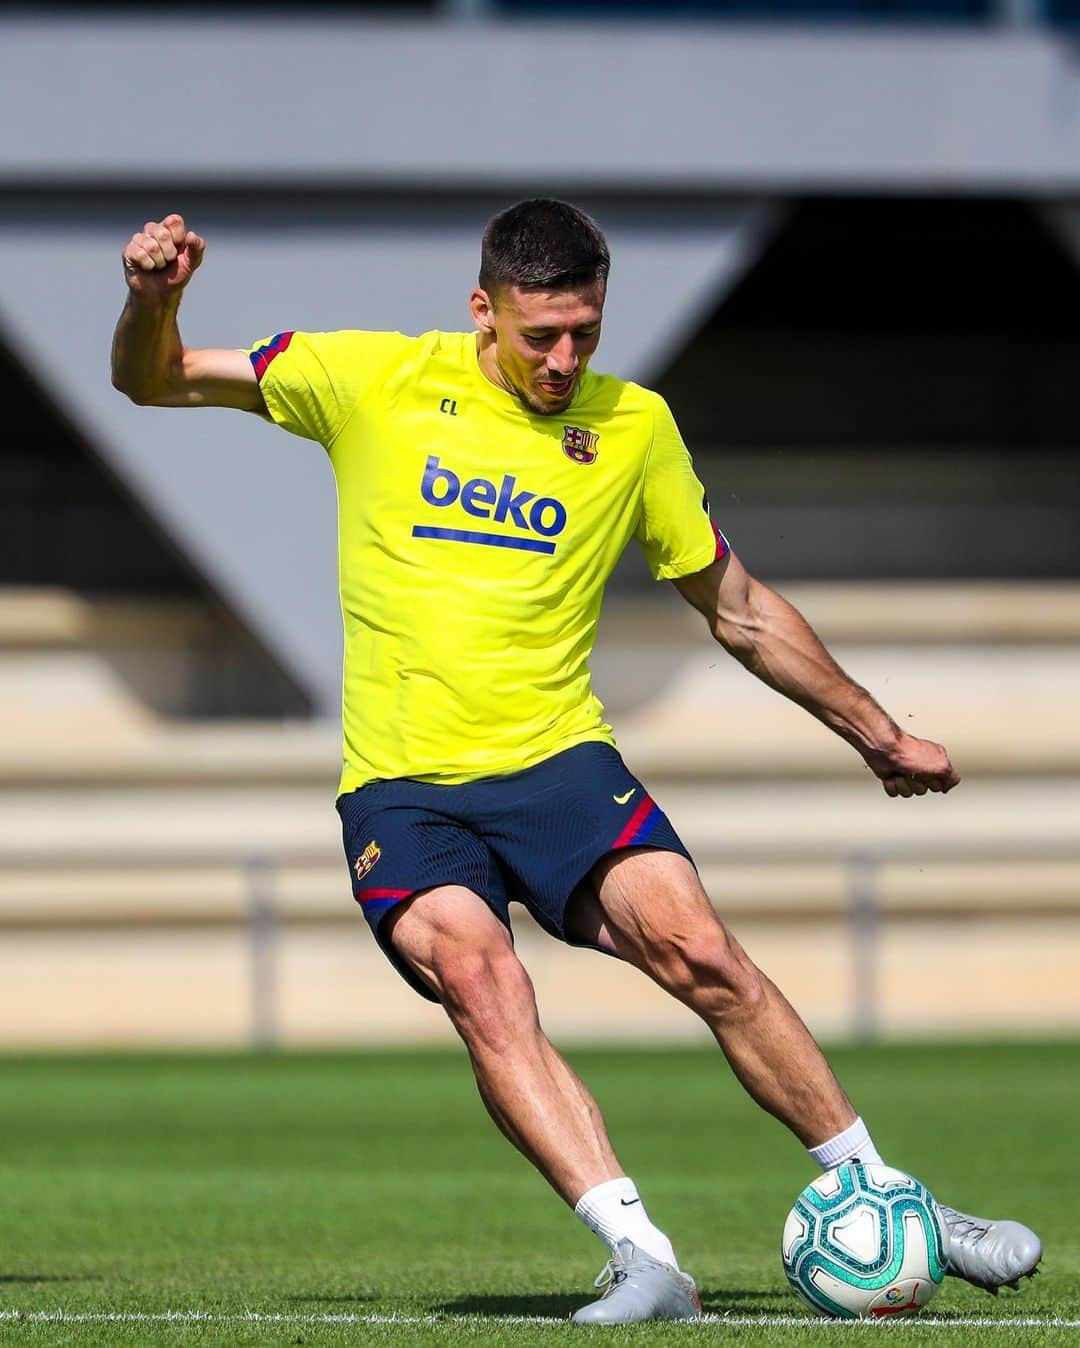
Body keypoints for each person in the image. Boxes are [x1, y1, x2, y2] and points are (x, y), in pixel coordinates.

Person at [112, 200, 1041, 1324]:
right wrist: (152, 302)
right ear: (482, 309)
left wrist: (878, 733)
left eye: (585, 334)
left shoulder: (634, 425)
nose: (565, 360)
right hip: (405, 788)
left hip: (558, 762)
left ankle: (887, 1193)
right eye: (542, 334)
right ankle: (645, 1257)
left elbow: (739, 609)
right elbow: (153, 381)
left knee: (704, 952)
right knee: (482, 980)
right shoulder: (368, 379)